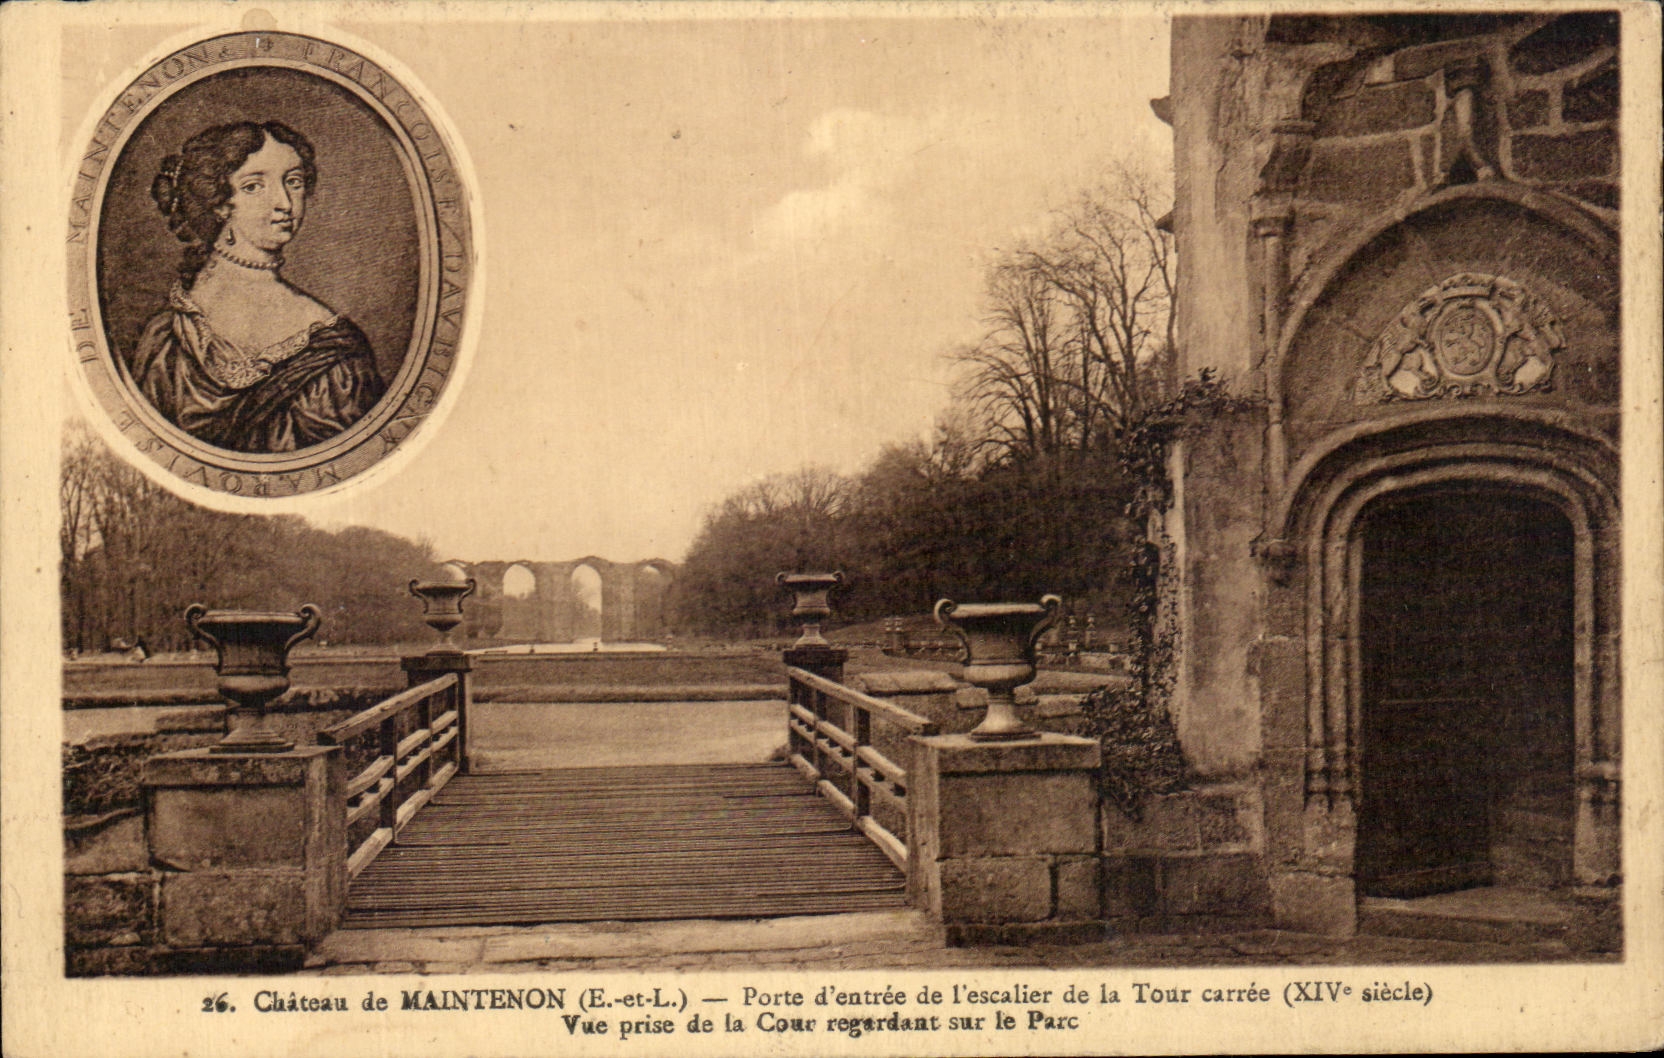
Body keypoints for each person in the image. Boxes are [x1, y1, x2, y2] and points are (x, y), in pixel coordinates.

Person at [129, 121, 386, 453]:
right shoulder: (165, 336)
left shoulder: (334, 346)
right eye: (254, 186)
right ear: (218, 202)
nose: (285, 203)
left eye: (294, 182)